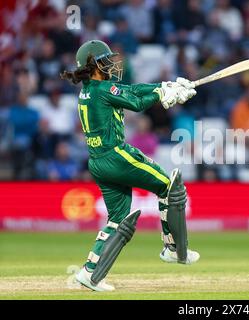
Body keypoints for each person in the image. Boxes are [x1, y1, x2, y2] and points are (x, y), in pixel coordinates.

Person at [60, 40, 199, 292]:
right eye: (105, 61)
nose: (111, 65)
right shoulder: (102, 89)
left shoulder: (91, 89)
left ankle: (90, 273)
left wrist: (164, 87)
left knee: (118, 219)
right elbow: (134, 101)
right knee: (169, 188)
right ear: (94, 65)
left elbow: (131, 91)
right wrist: (162, 93)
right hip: (117, 155)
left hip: (98, 162)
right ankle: (174, 249)